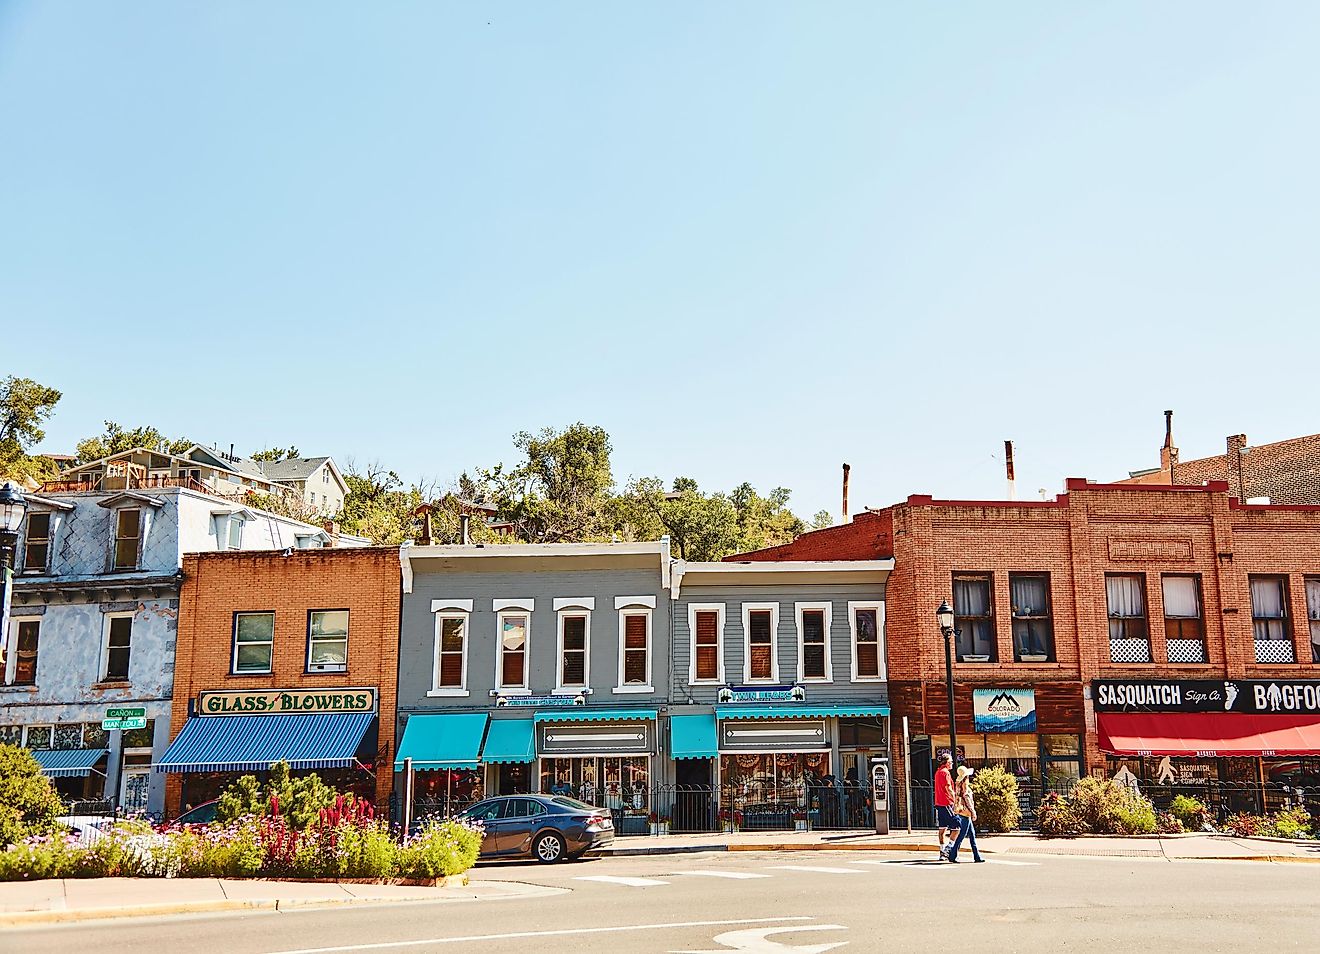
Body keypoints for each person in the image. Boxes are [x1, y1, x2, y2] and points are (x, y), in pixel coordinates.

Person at [945, 765, 986, 863]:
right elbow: (968, 800)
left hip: (961, 812)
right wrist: (973, 812)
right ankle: (952, 855)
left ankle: (977, 856)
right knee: (961, 836)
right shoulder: (965, 788)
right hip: (966, 814)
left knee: (972, 835)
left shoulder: (958, 785)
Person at [934, 752, 956, 856]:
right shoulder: (945, 772)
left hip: (939, 803)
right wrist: (955, 799)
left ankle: (942, 851)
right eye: (951, 762)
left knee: (942, 829)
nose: (952, 763)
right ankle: (949, 847)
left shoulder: (938, 772)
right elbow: (948, 788)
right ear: (946, 763)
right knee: (957, 827)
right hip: (946, 802)